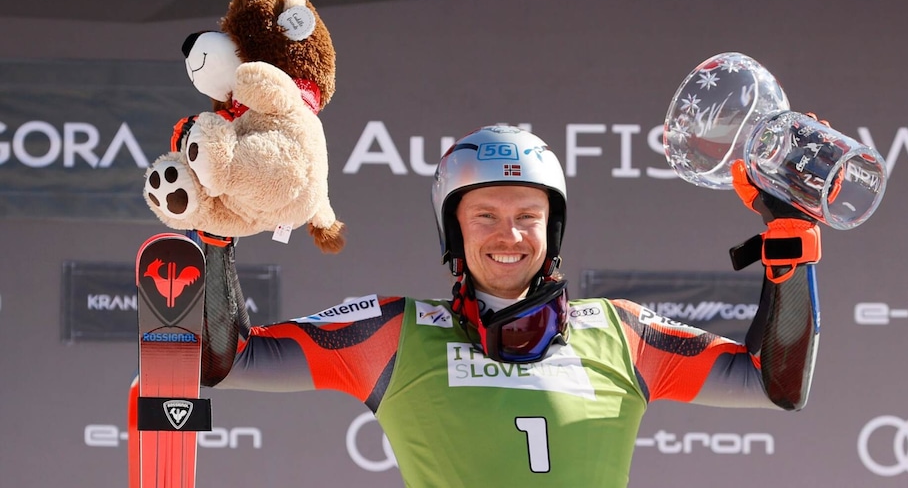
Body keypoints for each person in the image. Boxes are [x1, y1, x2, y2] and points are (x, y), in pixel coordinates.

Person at [195, 125, 821, 487]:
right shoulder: (392, 332)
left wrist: (788, 244)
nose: (510, 235)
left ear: (553, 229)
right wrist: (217, 234)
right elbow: (230, 360)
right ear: (453, 230)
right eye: (485, 216)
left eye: (528, 215)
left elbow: (775, 385)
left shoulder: (621, 332)